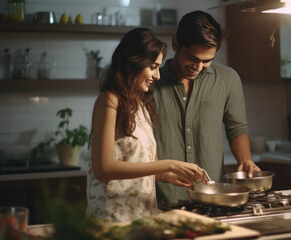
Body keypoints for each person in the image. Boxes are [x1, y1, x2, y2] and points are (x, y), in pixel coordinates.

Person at [86, 28, 206, 223]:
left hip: (144, 217)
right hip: (112, 221)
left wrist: (165, 175)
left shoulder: (142, 105)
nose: (157, 75)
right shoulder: (109, 101)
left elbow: (138, 163)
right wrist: (170, 164)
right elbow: (103, 169)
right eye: (152, 67)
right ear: (133, 63)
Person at [153, 11, 261, 204]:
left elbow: (236, 128)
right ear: (176, 43)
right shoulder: (150, 84)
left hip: (213, 198)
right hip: (161, 199)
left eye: (207, 61)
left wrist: (245, 160)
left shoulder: (228, 79)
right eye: (193, 58)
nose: (198, 66)